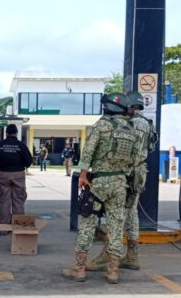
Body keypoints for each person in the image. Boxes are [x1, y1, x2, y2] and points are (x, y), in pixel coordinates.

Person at [62, 92, 150, 284]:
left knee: (87, 223)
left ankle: (79, 269)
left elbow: (88, 151)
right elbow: (135, 159)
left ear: (108, 107)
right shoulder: (131, 129)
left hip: (99, 183)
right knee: (116, 226)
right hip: (120, 184)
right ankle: (113, 272)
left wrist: (83, 175)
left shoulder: (101, 126)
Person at [86, 92, 157, 273]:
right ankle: (132, 255)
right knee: (130, 213)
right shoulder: (148, 123)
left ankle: (108, 256)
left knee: (118, 216)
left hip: (129, 173)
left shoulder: (133, 124)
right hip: (139, 172)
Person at [0, 124, 33, 234]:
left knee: (4, 201)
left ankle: (4, 229)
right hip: (18, 174)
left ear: (6, 133)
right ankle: (18, 228)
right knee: (18, 200)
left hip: (3, 174)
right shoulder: (21, 145)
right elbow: (29, 161)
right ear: (16, 133)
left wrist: (0, 166)